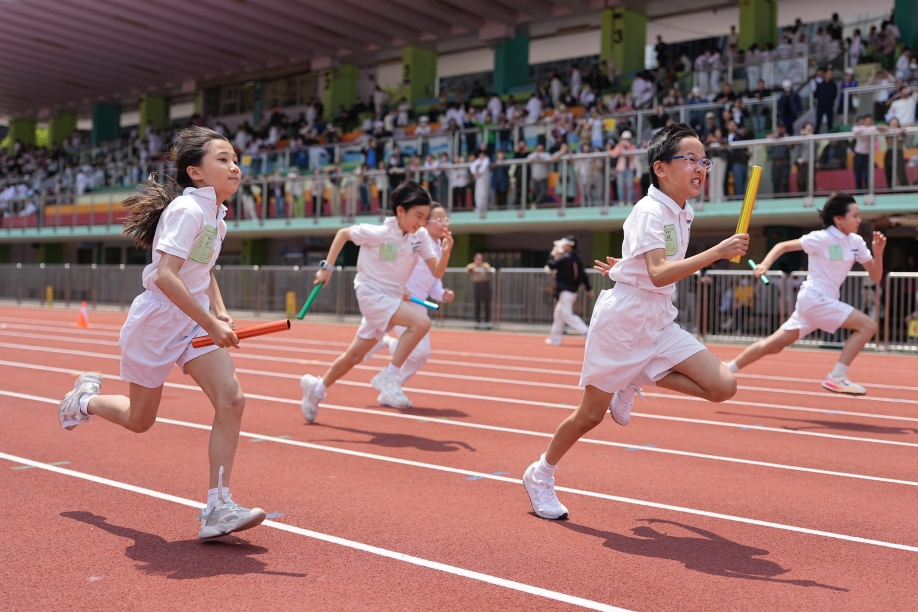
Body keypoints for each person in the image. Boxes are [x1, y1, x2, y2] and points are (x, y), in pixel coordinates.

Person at [522, 123, 749, 520]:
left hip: (659, 316)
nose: (701, 167)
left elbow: (652, 269)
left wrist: (626, 267)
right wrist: (717, 252)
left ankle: (636, 375)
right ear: (660, 167)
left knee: (722, 385)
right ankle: (540, 473)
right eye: (691, 159)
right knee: (590, 415)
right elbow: (660, 273)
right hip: (624, 322)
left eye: (704, 160)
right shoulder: (649, 210)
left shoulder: (684, 211)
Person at [57, 127, 266, 539]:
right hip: (157, 320)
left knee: (232, 400)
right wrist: (211, 323)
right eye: (222, 159)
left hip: (192, 317)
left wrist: (220, 312)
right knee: (140, 420)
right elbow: (166, 277)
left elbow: (203, 270)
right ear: (196, 172)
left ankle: (218, 507)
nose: (234, 166)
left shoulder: (216, 216)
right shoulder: (188, 210)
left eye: (235, 159)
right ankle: (83, 401)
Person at [299, 181, 453, 418]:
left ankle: (316, 388)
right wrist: (327, 269)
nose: (422, 223)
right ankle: (390, 375)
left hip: (391, 298)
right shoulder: (379, 232)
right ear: (400, 211)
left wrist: (446, 252)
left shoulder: (420, 236)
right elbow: (343, 234)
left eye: (425, 218)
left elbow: (437, 272)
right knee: (421, 323)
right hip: (371, 294)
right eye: (418, 216)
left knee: (354, 355)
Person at [724, 193, 885, 395]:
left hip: (821, 303)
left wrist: (878, 253)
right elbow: (782, 246)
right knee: (868, 325)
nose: (859, 220)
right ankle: (837, 376)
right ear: (838, 219)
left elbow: (875, 275)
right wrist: (765, 264)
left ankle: (729, 368)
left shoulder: (857, 242)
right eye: (855, 215)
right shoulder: (821, 238)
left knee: (773, 345)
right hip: (815, 299)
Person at [364, 202, 455, 382]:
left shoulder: (439, 247)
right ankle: (385, 344)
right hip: (401, 302)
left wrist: (443, 294)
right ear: (426, 222)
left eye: (445, 218)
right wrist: (400, 287)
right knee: (417, 351)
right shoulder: (415, 241)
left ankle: (391, 387)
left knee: (422, 354)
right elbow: (394, 264)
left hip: (418, 304)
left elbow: (434, 283)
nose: (444, 223)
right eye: (438, 219)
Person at [545, 236, 592, 345]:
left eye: (564, 244)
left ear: (570, 245)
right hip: (571, 291)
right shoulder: (577, 258)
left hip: (566, 291)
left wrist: (552, 254)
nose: (562, 246)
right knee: (559, 314)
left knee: (567, 314)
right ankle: (555, 339)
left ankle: (587, 332)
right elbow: (583, 274)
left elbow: (550, 266)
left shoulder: (566, 257)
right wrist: (588, 287)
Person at [465, 253, 494, 329]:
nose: (479, 260)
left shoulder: (485, 265)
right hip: (477, 285)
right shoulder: (472, 265)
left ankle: (487, 322)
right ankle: (477, 322)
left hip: (485, 285)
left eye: (480, 259)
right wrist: (475, 266)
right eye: (477, 258)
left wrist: (481, 267)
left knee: (487, 304)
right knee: (477, 304)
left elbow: (489, 268)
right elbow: (467, 269)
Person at [610, 131, 637, 204]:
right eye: (624, 139)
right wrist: (620, 145)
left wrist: (629, 147)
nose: (626, 141)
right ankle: (621, 201)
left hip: (630, 168)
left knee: (630, 186)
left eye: (627, 139)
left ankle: (629, 201)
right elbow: (613, 154)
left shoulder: (632, 146)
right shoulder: (619, 146)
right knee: (620, 186)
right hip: (621, 169)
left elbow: (634, 155)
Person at [469, 147, 490, 214]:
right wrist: (475, 173)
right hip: (478, 179)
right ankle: (478, 207)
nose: (481, 156)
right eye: (480, 155)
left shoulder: (487, 159)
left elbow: (484, 166)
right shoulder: (478, 160)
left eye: (483, 155)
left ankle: (483, 207)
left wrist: (480, 172)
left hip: (485, 179)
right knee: (477, 193)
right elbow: (472, 166)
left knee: (484, 193)